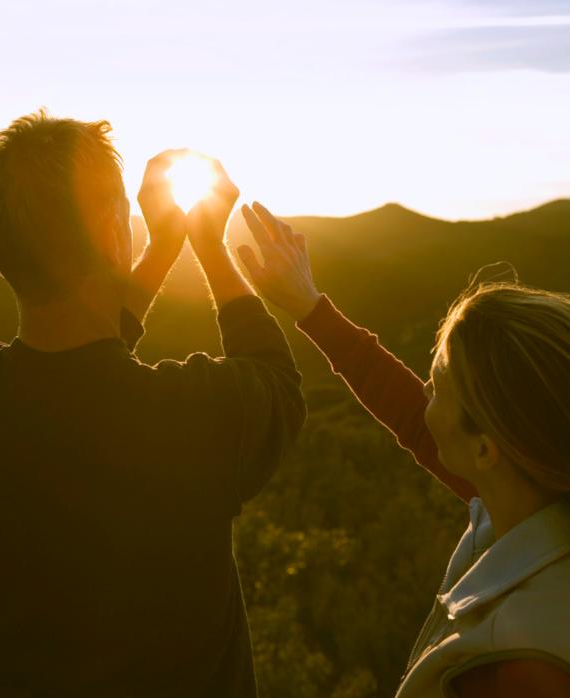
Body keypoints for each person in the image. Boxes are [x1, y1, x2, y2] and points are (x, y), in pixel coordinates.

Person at [0, 112, 306, 698]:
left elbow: (77, 373)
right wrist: (207, 245)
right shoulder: (185, 417)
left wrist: (152, 254)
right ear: (109, 228)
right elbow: (279, 384)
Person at [236, 202, 570, 698]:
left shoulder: (517, 668)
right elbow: (417, 422)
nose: (423, 398)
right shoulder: (532, 488)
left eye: (436, 385)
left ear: (485, 450)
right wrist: (308, 306)